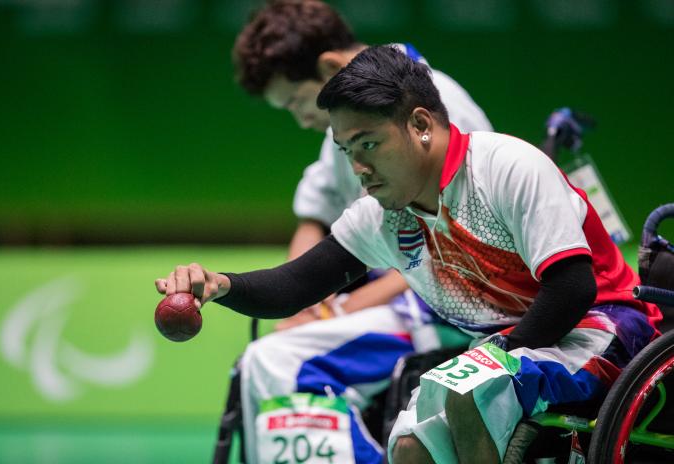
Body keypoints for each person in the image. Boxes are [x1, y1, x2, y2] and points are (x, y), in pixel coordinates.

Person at [157, 46, 661, 463]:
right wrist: (218, 285)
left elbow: (573, 288)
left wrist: (496, 354)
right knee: (409, 448)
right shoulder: (382, 214)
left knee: (468, 393)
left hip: (596, 329)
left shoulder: (507, 168)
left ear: (420, 124)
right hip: (500, 351)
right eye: (346, 150)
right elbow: (296, 286)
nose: (358, 166)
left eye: (369, 144)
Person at [229, 1, 492, 462]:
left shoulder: (430, 108)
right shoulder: (353, 126)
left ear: (330, 66)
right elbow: (316, 214)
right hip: (404, 307)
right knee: (268, 353)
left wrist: (338, 308)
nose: (299, 117)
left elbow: (444, 254)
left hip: (450, 314)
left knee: (278, 363)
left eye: (295, 101)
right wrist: (305, 304)